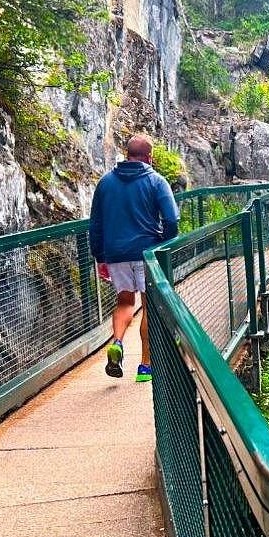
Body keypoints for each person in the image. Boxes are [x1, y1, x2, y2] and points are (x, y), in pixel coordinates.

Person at [88, 133, 180, 382]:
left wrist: (100, 257)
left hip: (115, 254)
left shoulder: (105, 182)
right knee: (149, 307)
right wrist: (164, 242)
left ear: (126, 154)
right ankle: (145, 366)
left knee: (125, 303)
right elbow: (171, 220)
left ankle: (117, 342)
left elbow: (95, 224)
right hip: (146, 253)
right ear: (150, 157)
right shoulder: (156, 181)